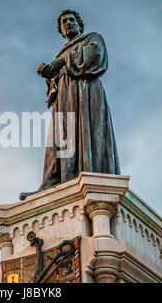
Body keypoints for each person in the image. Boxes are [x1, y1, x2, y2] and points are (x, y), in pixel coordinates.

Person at [20, 10, 120, 200]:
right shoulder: (62, 53)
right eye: (64, 22)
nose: (68, 24)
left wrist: (59, 63)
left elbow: (96, 56)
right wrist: (50, 76)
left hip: (86, 91)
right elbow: (54, 83)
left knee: (85, 132)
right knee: (61, 137)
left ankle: (89, 177)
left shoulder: (92, 38)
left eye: (71, 20)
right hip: (64, 98)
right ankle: (53, 182)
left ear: (79, 24)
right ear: (61, 29)